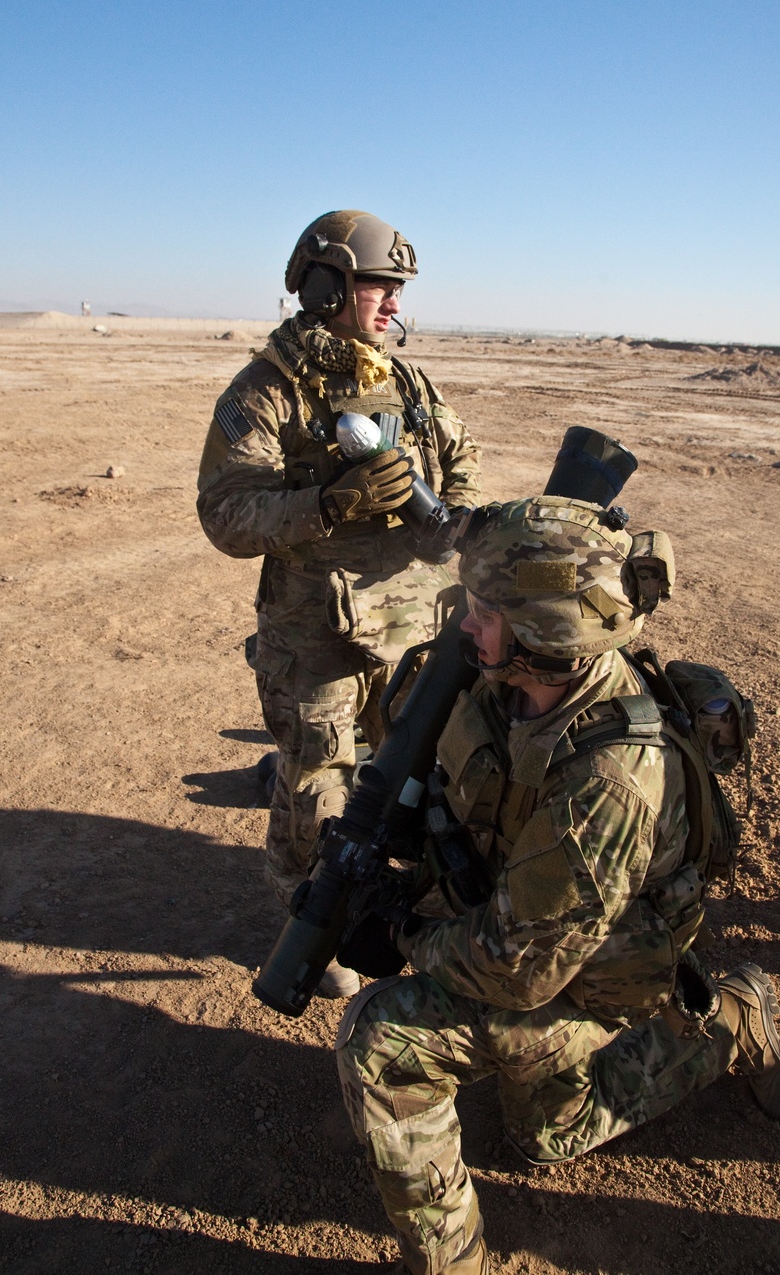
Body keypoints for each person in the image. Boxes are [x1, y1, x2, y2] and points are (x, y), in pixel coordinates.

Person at [336, 495, 780, 1274]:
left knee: (384, 1041)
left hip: (595, 969)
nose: (465, 624)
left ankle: (726, 1021)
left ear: (546, 637)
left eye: (485, 611)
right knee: (548, 1136)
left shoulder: (608, 780)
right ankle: (722, 1020)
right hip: (538, 915)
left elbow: (519, 969)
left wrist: (405, 930)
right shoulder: (509, 681)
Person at [197, 209, 481, 997]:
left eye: (398, 288)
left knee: (416, 781)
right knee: (317, 779)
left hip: (413, 629)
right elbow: (225, 513)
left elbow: (461, 468)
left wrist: (446, 528)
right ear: (326, 287)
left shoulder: (409, 384)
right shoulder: (267, 391)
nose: (394, 303)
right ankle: (304, 915)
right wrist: (330, 502)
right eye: (379, 286)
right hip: (314, 632)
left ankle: (396, 911)